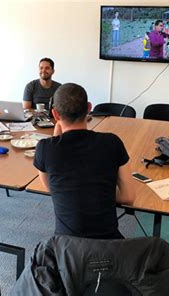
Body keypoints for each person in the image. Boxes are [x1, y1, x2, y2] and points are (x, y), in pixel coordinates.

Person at [33, 83, 135, 239]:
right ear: (89, 108)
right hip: (109, 245)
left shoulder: (44, 148)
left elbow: (53, 188)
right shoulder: (112, 142)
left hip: (67, 250)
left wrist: (56, 135)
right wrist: (101, 191)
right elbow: (128, 197)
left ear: (55, 115)